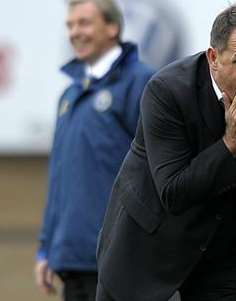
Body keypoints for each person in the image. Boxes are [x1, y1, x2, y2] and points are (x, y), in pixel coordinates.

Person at [96, 2, 236, 301]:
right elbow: (173, 192)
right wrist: (232, 143)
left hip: (225, 250)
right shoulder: (167, 91)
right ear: (213, 58)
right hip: (149, 249)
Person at [34, 0, 154, 300]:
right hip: (72, 261)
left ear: (112, 27)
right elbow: (59, 178)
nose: (75, 32)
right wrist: (47, 248)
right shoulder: (69, 95)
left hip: (121, 259)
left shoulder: (142, 83)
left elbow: (158, 170)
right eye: (70, 25)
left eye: (84, 23)